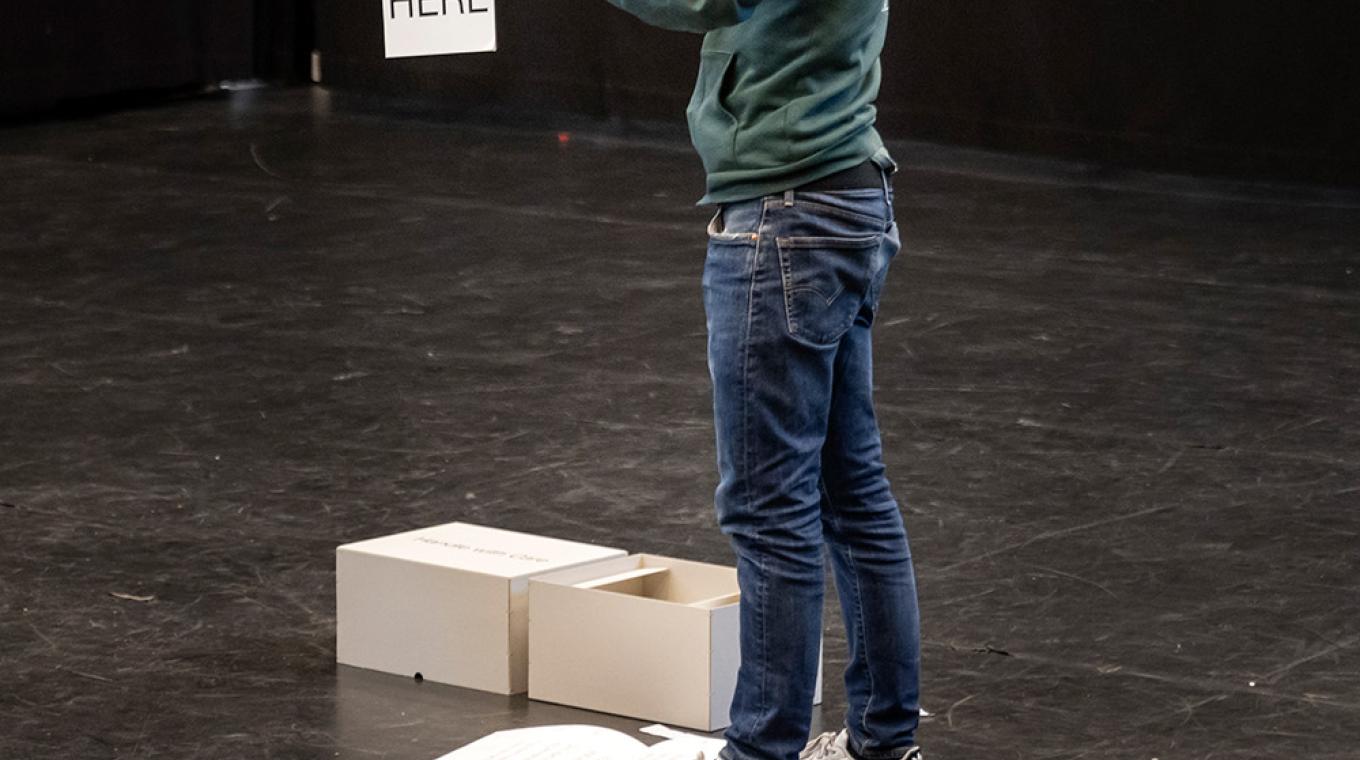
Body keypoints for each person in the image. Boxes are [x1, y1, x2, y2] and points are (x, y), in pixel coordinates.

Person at [600, 3, 923, 760]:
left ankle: (762, 751)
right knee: (853, 496)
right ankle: (884, 742)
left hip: (790, 212)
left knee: (771, 513)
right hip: (843, 198)